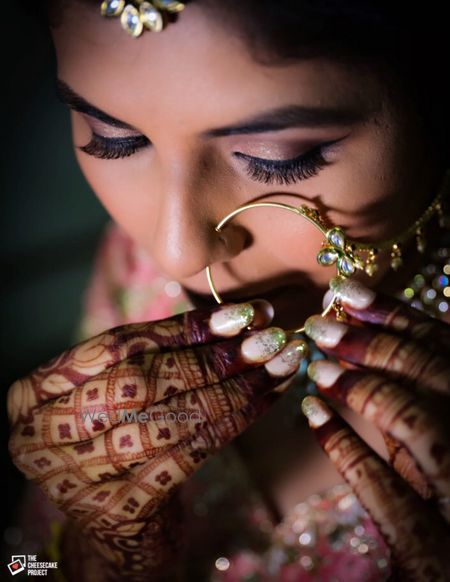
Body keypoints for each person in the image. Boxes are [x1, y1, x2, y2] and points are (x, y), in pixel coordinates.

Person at [7, 1, 450, 580]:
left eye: (278, 160)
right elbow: (22, 566)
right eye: (113, 139)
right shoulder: (141, 262)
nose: (176, 253)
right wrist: (86, 554)